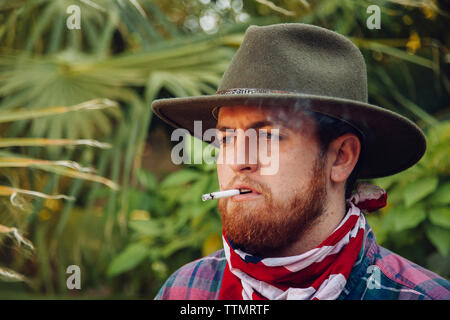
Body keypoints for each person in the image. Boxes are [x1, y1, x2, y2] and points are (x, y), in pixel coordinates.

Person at [151, 23, 450, 300]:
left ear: (340, 157)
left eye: (267, 136)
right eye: (227, 138)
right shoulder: (185, 291)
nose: (238, 161)